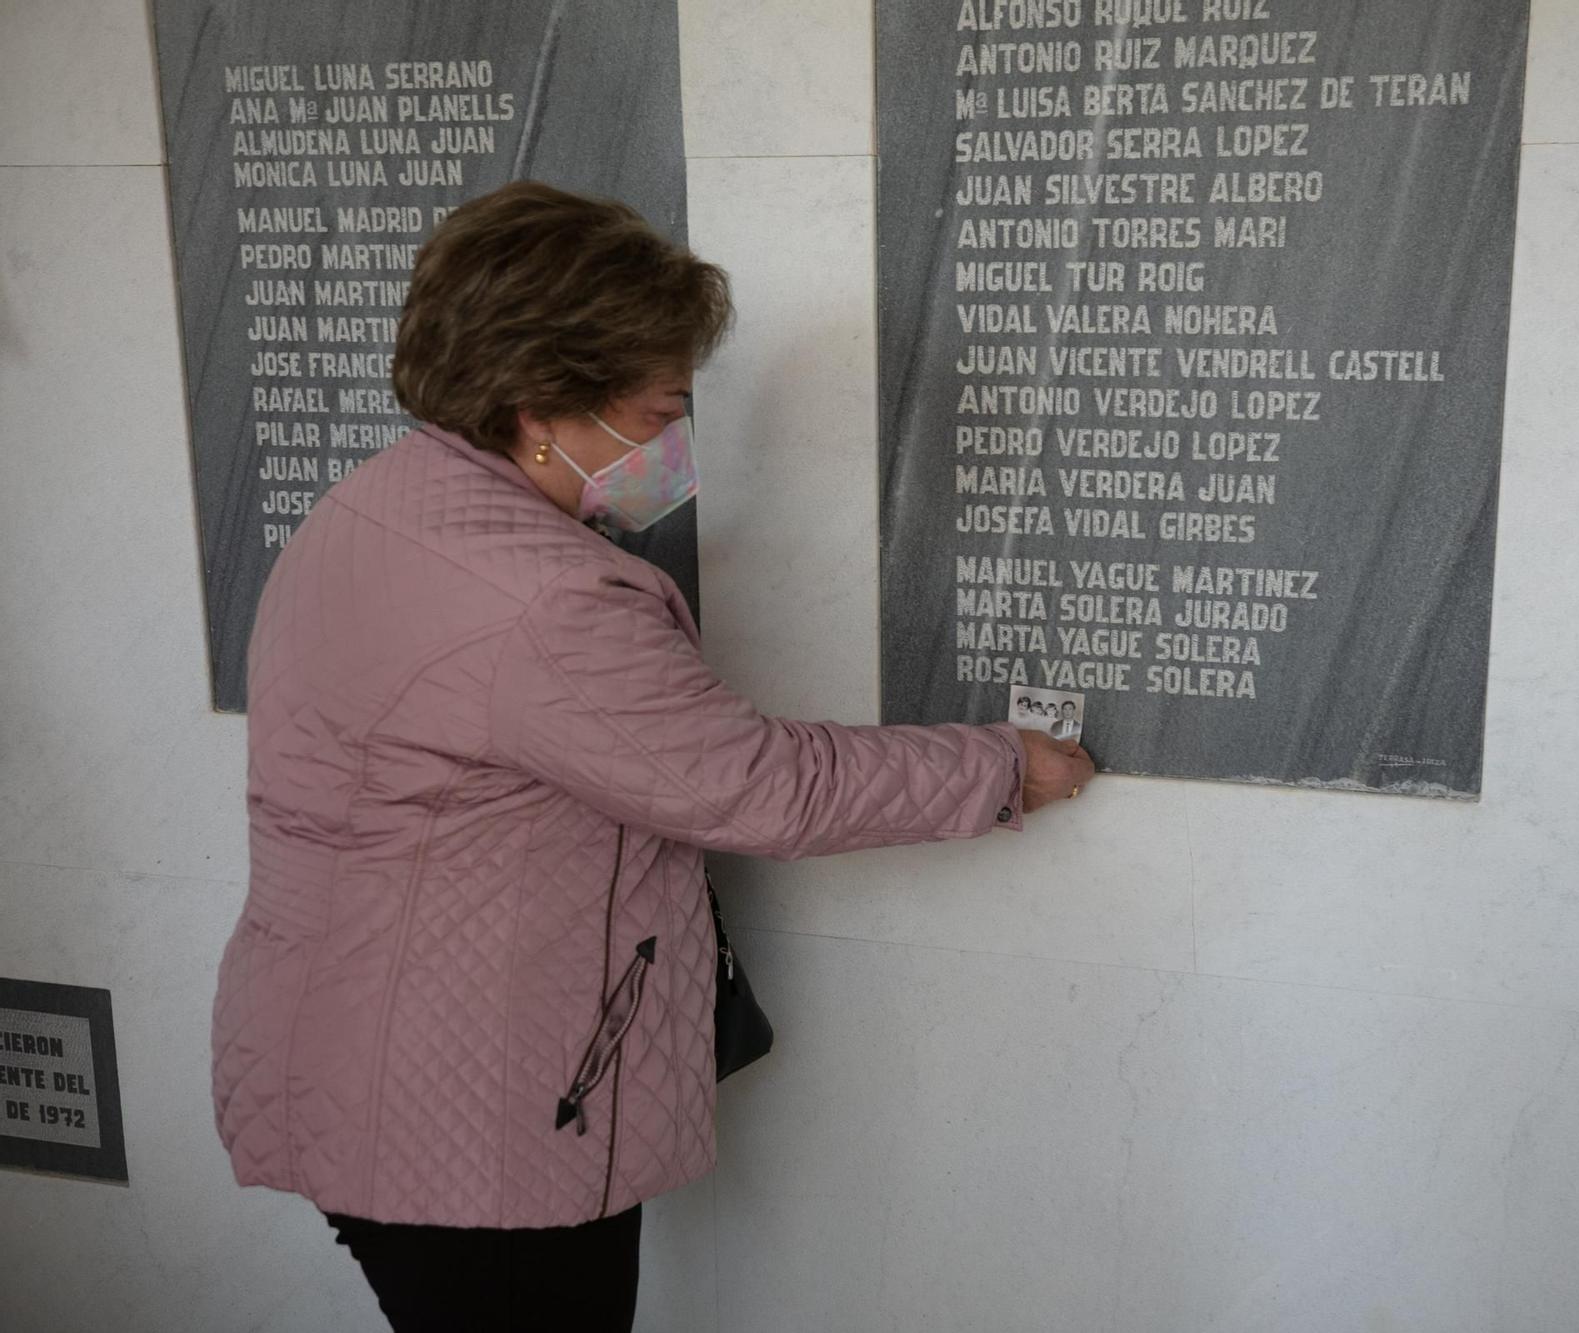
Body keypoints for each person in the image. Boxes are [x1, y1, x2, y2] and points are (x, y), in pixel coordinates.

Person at [208, 181, 1096, 1332]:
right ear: (539, 403)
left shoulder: (375, 508)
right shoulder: (544, 600)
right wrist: (1003, 766)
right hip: (470, 1122)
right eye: (659, 411)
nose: (674, 446)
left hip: (353, 1062)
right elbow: (752, 784)